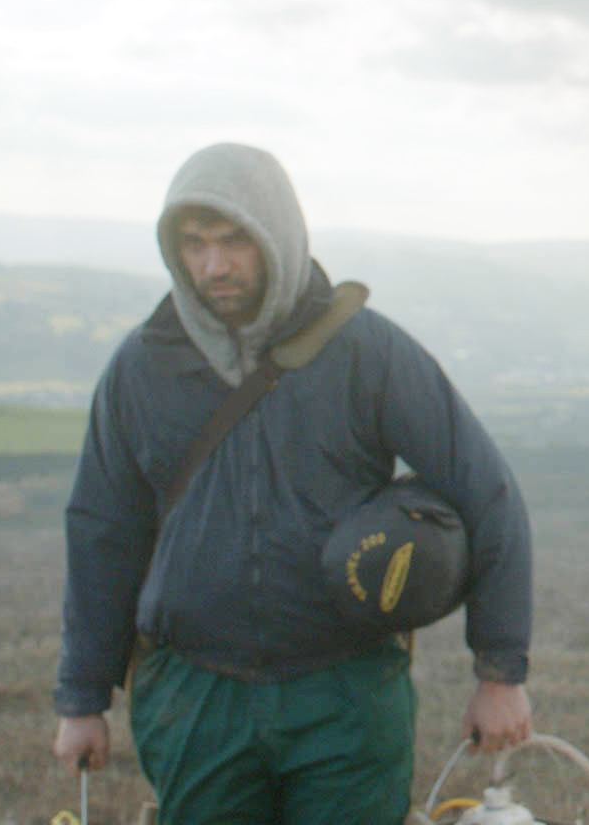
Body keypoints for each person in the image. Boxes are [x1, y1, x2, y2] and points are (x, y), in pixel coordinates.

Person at [50, 143, 534, 824]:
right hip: (195, 698)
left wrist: (500, 673)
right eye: (194, 244)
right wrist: (81, 700)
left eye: (234, 241)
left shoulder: (368, 352)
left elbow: (489, 494)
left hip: (344, 693)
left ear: (276, 235)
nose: (214, 265)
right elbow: (103, 529)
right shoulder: (140, 368)